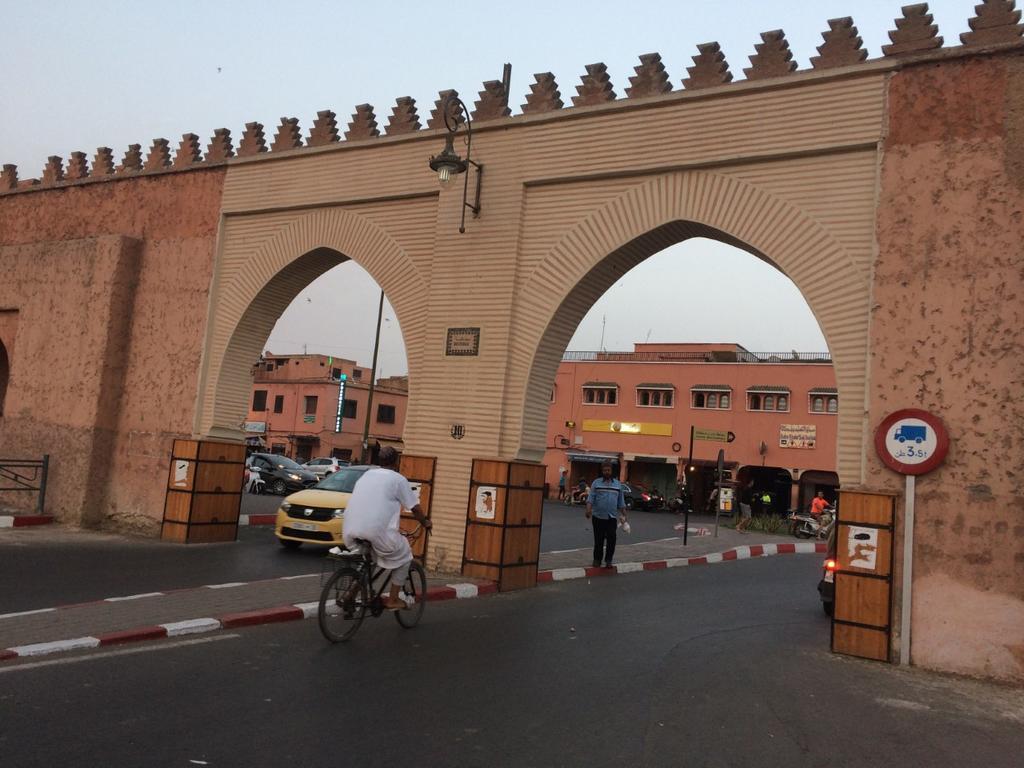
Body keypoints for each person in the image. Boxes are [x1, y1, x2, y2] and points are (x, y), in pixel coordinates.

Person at [341, 447, 432, 610]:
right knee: (405, 556)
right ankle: (393, 600)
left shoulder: (366, 475)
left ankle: (351, 594)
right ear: (396, 461)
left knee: (371, 559)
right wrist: (425, 523)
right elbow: (415, 508)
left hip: (350, 528)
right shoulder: (398, 480)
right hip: (376, 532)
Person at [585, 461, 627, 568]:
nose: (606, 472)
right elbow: (591, 498)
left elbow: (621, 501)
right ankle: (597, 560)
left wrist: (624, 515)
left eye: (608, 470)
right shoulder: (596, 483)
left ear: (611, 471)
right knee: (598, 540)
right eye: (604, 470)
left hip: (611, 518)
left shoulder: (617, 484)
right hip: (598, 516)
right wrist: (588, 510)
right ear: (602, 471)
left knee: (611, 539)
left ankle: (609, 560)